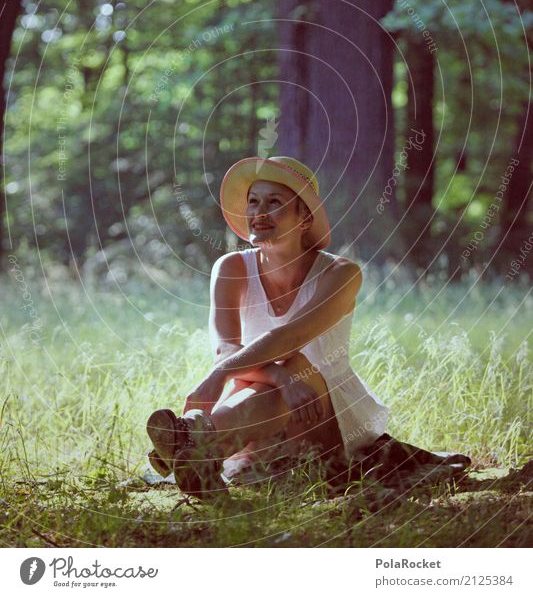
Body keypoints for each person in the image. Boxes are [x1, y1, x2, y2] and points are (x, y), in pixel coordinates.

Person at [146, 156, 469, 497]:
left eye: (275, 203)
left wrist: (222, 374)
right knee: (275, 374)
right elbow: (225, 348)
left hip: (325, 411)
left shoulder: (341, 274)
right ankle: (198, 450)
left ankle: (192, 435)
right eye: (253, 202)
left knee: (296, 363)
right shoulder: (230, 267)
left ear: (304, 218)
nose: (260, 212)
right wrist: (278, 378)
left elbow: (291, 337)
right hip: (255, 408)